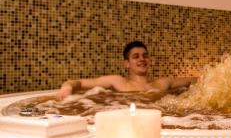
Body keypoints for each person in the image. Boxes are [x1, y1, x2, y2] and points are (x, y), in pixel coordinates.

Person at [55, 41, 196, 101]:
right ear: (126, 63)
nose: (142, 59)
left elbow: (195, 80)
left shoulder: (163, 83)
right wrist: (67, 87)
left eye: (145, 56)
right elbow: (78, 83)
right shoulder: (118, 82)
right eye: (136, 57)